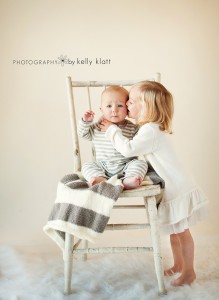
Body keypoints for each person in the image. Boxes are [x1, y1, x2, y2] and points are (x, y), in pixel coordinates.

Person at [99, 81, 208, 286]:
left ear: (145, 106)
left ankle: (189, 272)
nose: (126, 103)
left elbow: (128, 150)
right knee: (175, 233)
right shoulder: (149, 128)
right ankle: (178, 264)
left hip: (177, 186)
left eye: (130, 100)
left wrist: (112, 130)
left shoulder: (150, 130)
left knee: (182, 233)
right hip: (172, 185)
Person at [77, 85, 148, 189]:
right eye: (109, 106)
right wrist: (85, 121)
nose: (114, 110)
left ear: (127, 108)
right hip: (103, 166)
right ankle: (100, 179)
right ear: (101, 109)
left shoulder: (133, 128)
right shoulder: (98, 126)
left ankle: (129, 180)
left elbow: (142, 141)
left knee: (141, 163)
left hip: (127, 165)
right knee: (87, 166)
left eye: (120, 105)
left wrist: (140, 117)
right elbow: (83, 134)